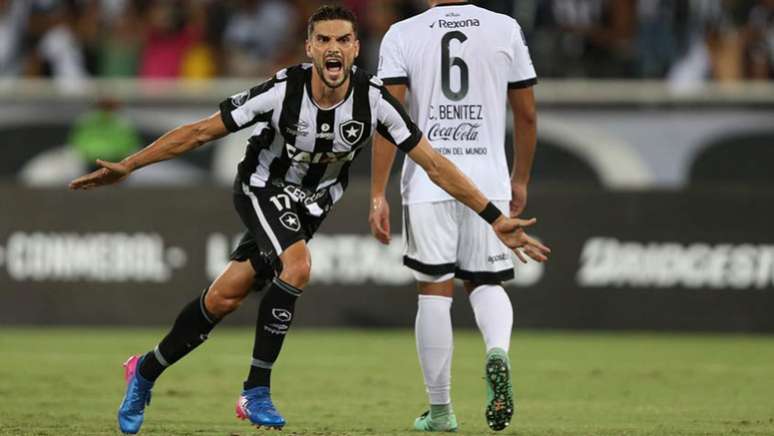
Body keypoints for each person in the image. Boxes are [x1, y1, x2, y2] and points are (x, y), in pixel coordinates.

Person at [69, 5, 550, 435]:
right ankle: (256, 389)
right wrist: (129, 165)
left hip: (313, 203)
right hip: (262, 188)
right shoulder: (282, 91)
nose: (333, 48)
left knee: (225, 296)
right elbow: (199, 132)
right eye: (324, 40)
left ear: (357, 49)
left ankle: (145, 372)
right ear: (310, 48)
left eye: (343, 39)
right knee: (297, 267)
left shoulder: (375, 100)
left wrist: (492, 216)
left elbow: (436, 164)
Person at [369, 0, 539, 432]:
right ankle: (497, 351)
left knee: (434, 291)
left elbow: (389, 118)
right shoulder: (504, 28)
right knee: (485, 281)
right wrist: (519, 179)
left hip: (428, 180)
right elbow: (527, 114)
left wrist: (377, 193)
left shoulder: (402, 33)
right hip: (489, 182)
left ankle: (441, 411)